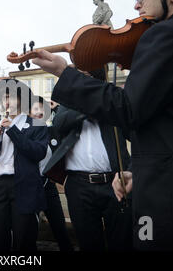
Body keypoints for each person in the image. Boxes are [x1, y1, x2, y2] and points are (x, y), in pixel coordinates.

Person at [32, 0, 173, 250]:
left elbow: (128, 108)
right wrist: (138, 171)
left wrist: (63, 72)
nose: (136, 4)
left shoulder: (168, 34)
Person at [42, 69, 133, 251]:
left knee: (121, 241)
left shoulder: (112, 103)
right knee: (88, 242)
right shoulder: (68, 104)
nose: (84, 79)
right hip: (79, 185)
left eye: (88, 76)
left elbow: (134, 133)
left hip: (114, 181)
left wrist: (100, 106)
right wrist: (89, 109)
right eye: (80, 74)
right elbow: (60, 122)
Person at [0, 79, 48, 251]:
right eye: (4, 97)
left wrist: (12, 130)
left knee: (24, 238)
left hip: (23, 184)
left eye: (10, 96)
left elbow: (38, 152)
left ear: (20, 98)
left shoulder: (36, 124)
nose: (6, 101)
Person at [29, 95, 73, 251]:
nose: (40, 112)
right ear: (28, 112)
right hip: (30, 187)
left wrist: (58, 108)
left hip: (48, 185)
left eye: (44, 109)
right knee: (29, 230)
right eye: (36, 108)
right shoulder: (24, 132)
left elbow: (67, 130)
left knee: (59, 227)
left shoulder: (53, 131)